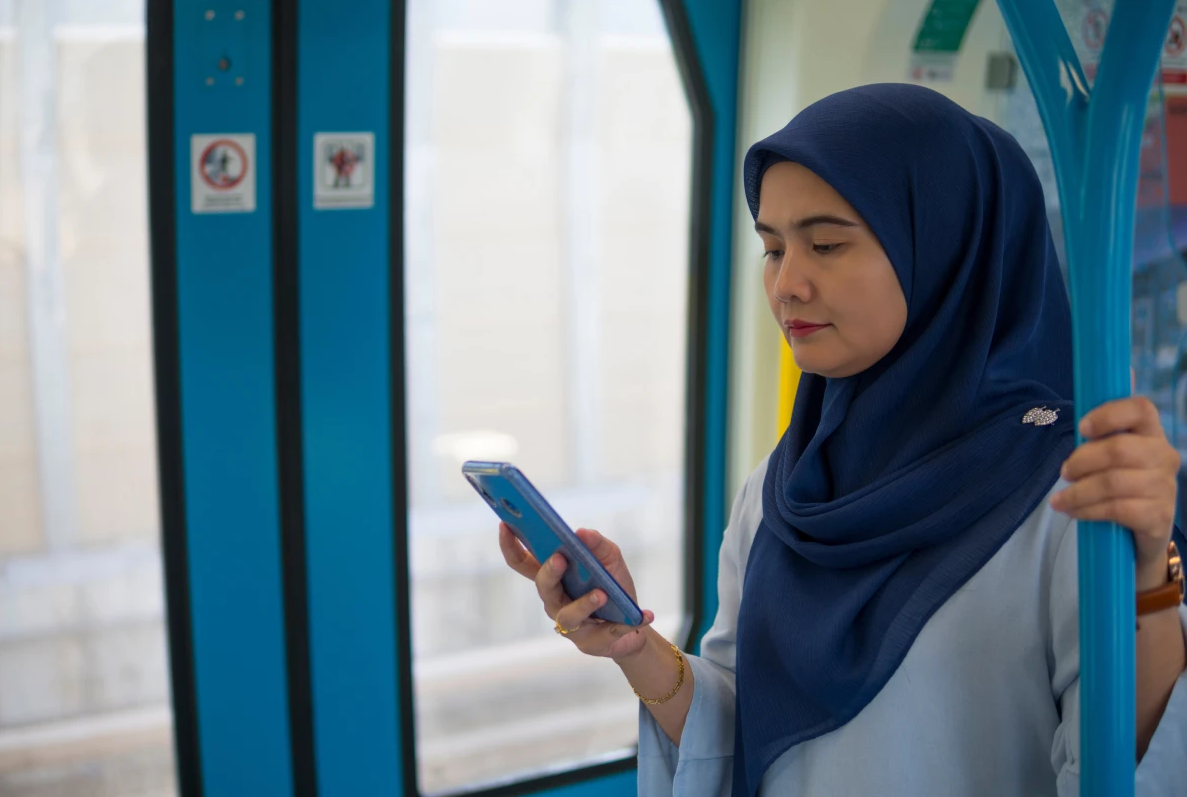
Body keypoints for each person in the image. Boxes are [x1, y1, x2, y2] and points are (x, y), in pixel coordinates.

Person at [497, 84, 1187, 795]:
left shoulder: (1071, 491)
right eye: (771, 248)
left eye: (826, 244)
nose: (787, 284)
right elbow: (752, 730)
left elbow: (1135, 772)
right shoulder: (780, 489)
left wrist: (1147, 584)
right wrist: (631, 647)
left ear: (944, 246)